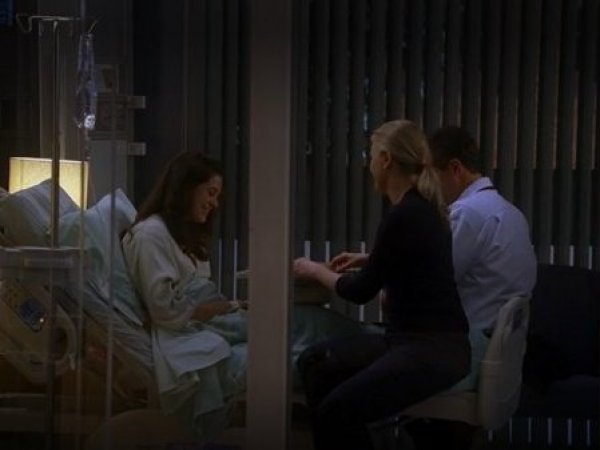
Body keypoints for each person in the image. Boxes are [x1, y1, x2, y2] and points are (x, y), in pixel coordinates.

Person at [121, 151, 367, 443]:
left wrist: (237, 306)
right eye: (210, 193)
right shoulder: (150, 236)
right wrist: (229, 306)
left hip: (211, 322)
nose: (215, 203)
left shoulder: (177, 235)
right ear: (186, 188)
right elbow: (167, 311)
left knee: (307, 320)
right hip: (189, 333)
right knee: (301, 344)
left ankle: (369, 342)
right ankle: (365, 352)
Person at [294, 120, 471, 450]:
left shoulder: (406, 213)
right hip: (418, 342)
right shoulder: (419, 208)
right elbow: (411, 260)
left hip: (429, 350)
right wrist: (369, 259)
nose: (369, 164)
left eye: (372, 155)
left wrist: (314, 270)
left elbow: (359, 292)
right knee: (315, 363)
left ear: (386, 159)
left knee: (336, 412)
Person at [427, 126, 537, 332]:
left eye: (433, 177)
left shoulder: (466, 213)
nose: (431, 188)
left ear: (455, 169)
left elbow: (433, 280)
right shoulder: (513, 213)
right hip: (504, 339)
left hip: (469, 339)